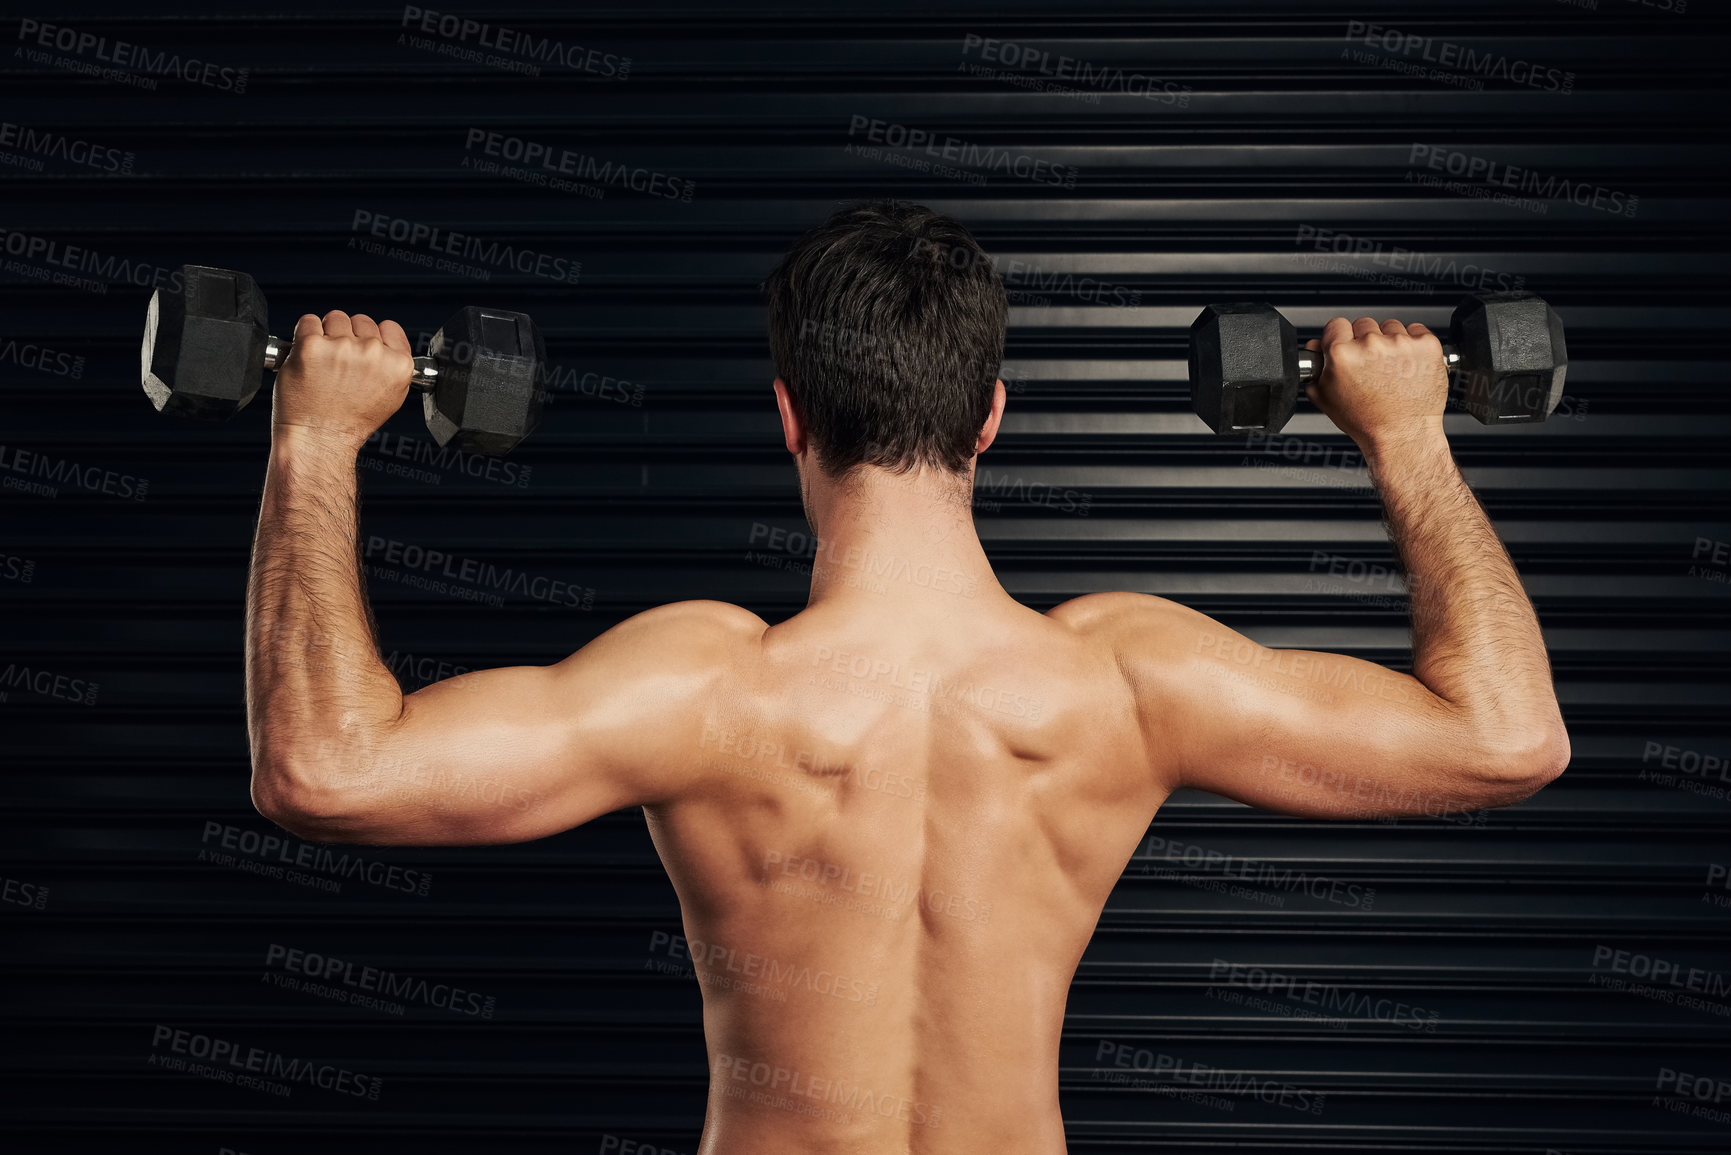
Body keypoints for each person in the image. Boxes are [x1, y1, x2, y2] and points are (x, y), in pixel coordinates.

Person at [245, 200, 1568, 1153]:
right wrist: (1408, 441)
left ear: (789, 417)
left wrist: (317, 443)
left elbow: (326, 770)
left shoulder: (710, 690)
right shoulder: (1126, 683)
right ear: (990, 414)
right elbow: (1508, 740)